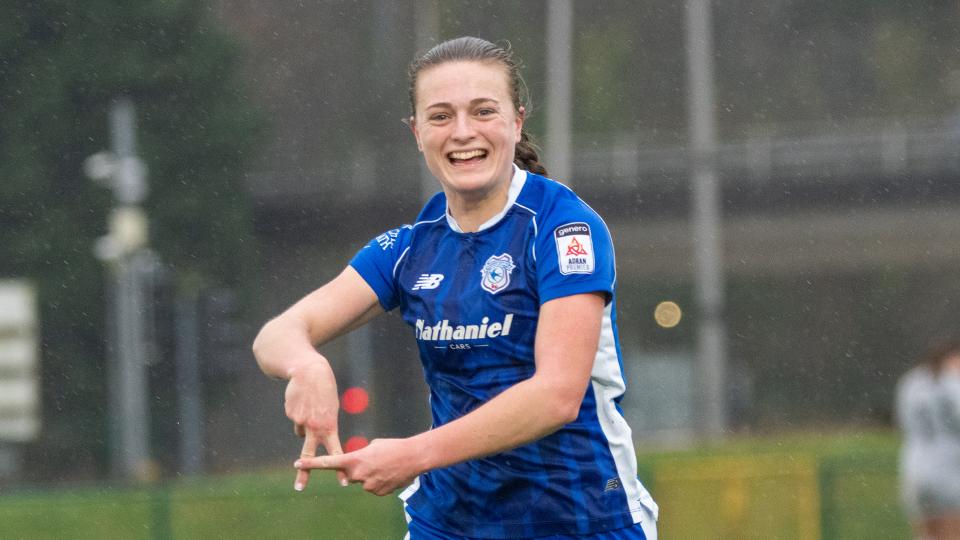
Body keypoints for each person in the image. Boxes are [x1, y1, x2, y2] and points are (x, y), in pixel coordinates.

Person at [252, 36, 658, 539]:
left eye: (483, 111)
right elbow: (276, 335)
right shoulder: (411, 246)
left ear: (517, 122)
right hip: (448, 525)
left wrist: (413, 455)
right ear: (417, 132)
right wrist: (306, 365)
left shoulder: (563, 228)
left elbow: (556, 396)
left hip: (581, 521)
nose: (463, 132)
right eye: (441, 116)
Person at [895, 339, 960, 539]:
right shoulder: (954, 383)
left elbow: (903, 421)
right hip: (951, 470)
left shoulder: (912, 381)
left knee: (927, 535)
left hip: (916, 470)